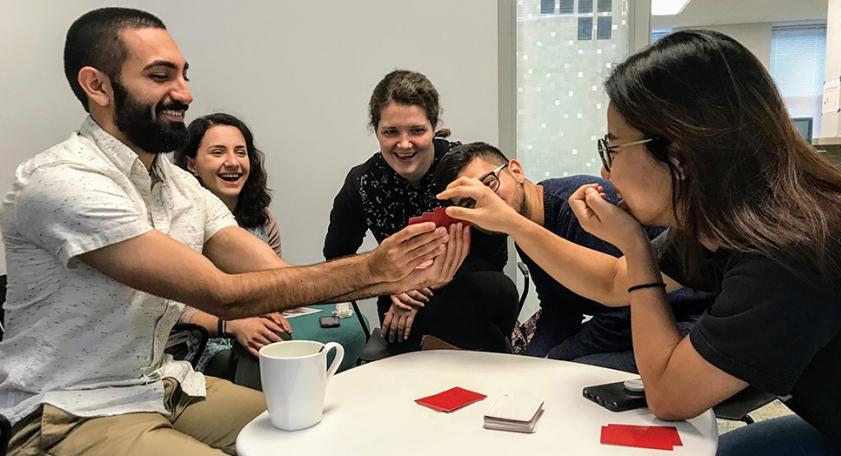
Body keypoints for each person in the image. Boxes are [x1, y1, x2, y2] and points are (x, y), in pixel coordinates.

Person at [0, 8, 461, 455]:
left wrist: (399, 277)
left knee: (323, 435)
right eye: (161, 77)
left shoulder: (178, 184)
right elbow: (223, 295)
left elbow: (276, 275)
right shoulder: (61, 180)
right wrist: (375, 268)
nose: (184, 94)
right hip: (70, 411)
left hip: (164, 386)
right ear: (96, 85)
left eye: (185, 75)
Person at [438, 30, 841, 454]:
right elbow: (611, 281)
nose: (605, 173)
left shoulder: (790, 252)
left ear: (679, 154)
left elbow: (668, 395)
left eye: (613, 149)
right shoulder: (727, 221)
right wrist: (517, 225)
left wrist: (636, 248)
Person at [434, 142, 711, 371]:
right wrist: (532, 365)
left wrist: (557, 358)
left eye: (490, 184)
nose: (487, 204)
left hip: (687, 319)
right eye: (470, 203)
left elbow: (622, 306)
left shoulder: (580, 208)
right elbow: (560, 308)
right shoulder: (524, 228)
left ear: (516, 170)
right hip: (636, 320)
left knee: (576, 380)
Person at [324, 70, 519, 352]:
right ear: (376, 131)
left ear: (433, 127)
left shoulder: (464, 168)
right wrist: (393, 285)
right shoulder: (362, 182)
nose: (404, 144)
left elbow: (493, 254)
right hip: (400, 301)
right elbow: (336, 257)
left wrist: (423, 283)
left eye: (416, 130)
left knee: (480, 293)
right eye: (391, 132)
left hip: (472, 289)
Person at [173, 113, 290, 375]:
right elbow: (173, 310)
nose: (233, 162)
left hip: (254, 330)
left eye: (241, 152)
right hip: (198, 346)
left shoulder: (264, 220)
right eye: (218, 152)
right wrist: (234, 324)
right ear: (192, 165)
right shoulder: (178, 223)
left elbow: (277, 285)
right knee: (257, 359)